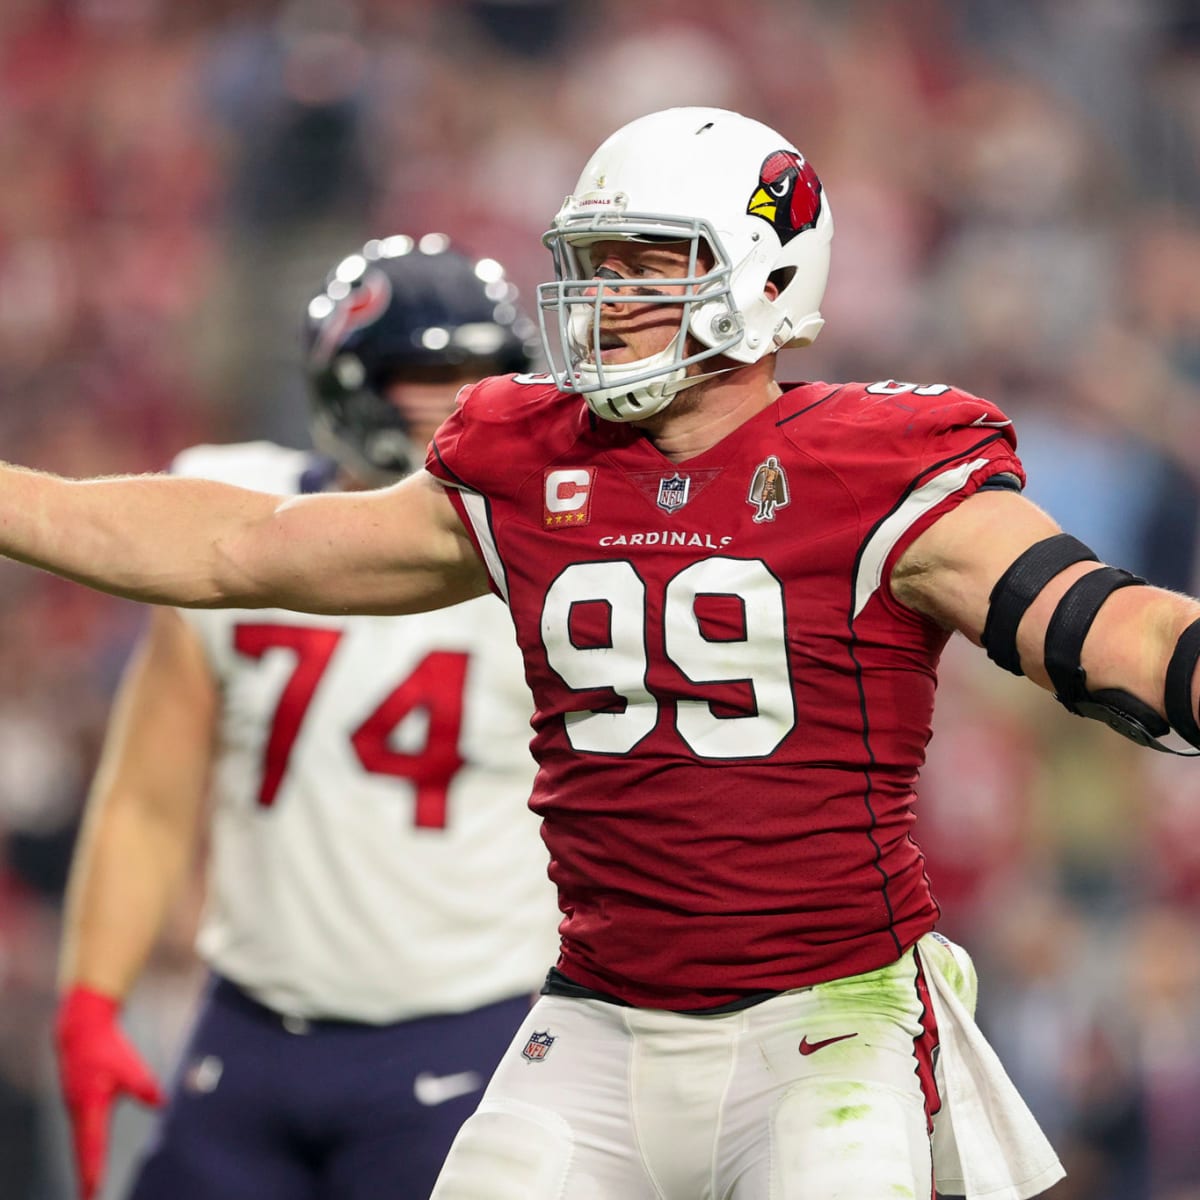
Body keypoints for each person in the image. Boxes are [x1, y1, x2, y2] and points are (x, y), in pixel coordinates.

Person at [7, 105, 1200, 1197]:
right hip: (595, 1020)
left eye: (645, 266)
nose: (603, 298)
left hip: (826, 1018)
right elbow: (243, 547)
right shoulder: (526, 462)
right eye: (594, 263)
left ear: (765, 274)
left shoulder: (883, 465)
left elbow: (1111, 626)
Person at [51, 233, 559, 1200]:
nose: (461, 404)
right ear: (351, 382)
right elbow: (153, 794)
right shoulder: (233, 507)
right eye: (428, 374)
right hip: (249, 1033)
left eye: (483, 375)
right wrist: (92, 995)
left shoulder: (545, 557)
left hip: (472, 1036)